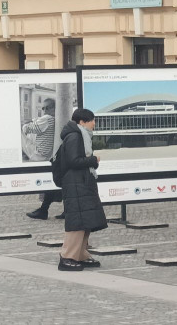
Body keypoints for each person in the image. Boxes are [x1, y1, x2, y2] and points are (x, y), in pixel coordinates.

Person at [58, 108, 107, 272]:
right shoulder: (75, 136)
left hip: (81, 183)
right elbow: (74, 161)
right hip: (75, 183)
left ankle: (79, 254)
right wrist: (93, 160)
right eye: (91, 120)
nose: (94, 123)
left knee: (85, 220)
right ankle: (67, 257)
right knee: (77, 222)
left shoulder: (81, 136)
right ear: (82, 122)